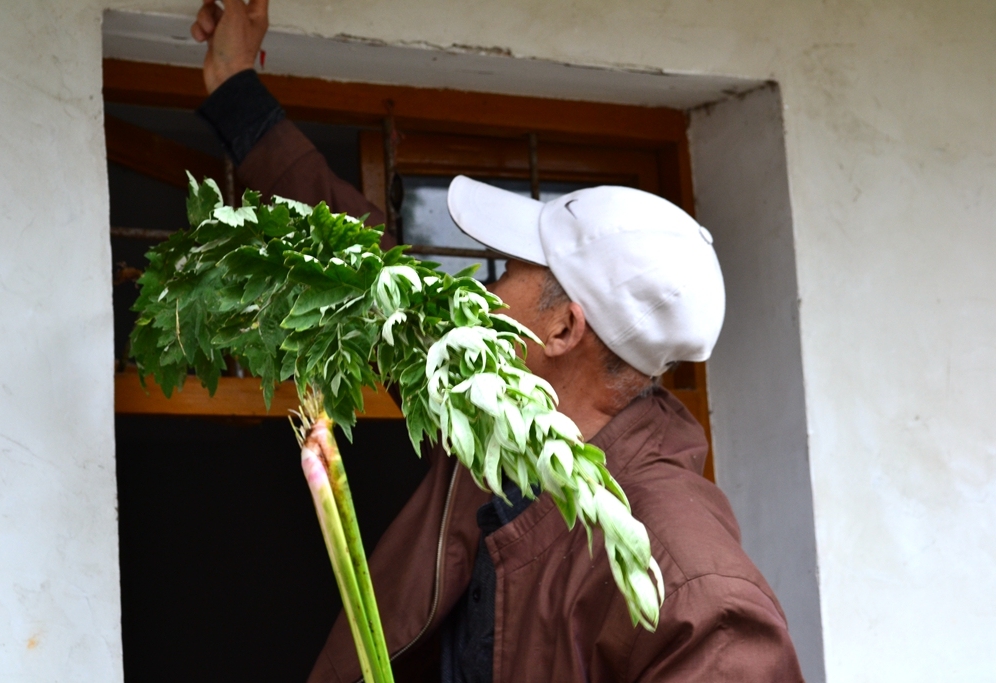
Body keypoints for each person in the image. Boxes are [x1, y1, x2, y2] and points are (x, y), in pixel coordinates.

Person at [191, 2, 806, 681]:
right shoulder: (495, 412)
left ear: (563, 327)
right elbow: (369, 276)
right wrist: (235, 90)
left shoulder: (686, 574)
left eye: (507, 271)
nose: (482, 292)